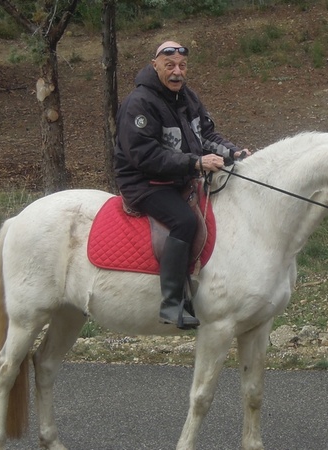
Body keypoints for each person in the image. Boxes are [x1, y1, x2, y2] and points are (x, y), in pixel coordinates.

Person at [114, 40, 251, 329]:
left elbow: (206, 136)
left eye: (182, 66)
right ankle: (172, 303)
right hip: (145, 182)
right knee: (184, 222)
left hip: (180, 178)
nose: (177, 72)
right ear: (155, 65)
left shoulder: (187, 97)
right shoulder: (139, 103)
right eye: (170, 66)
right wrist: (195, 163)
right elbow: (143, 155)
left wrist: (233, 153)